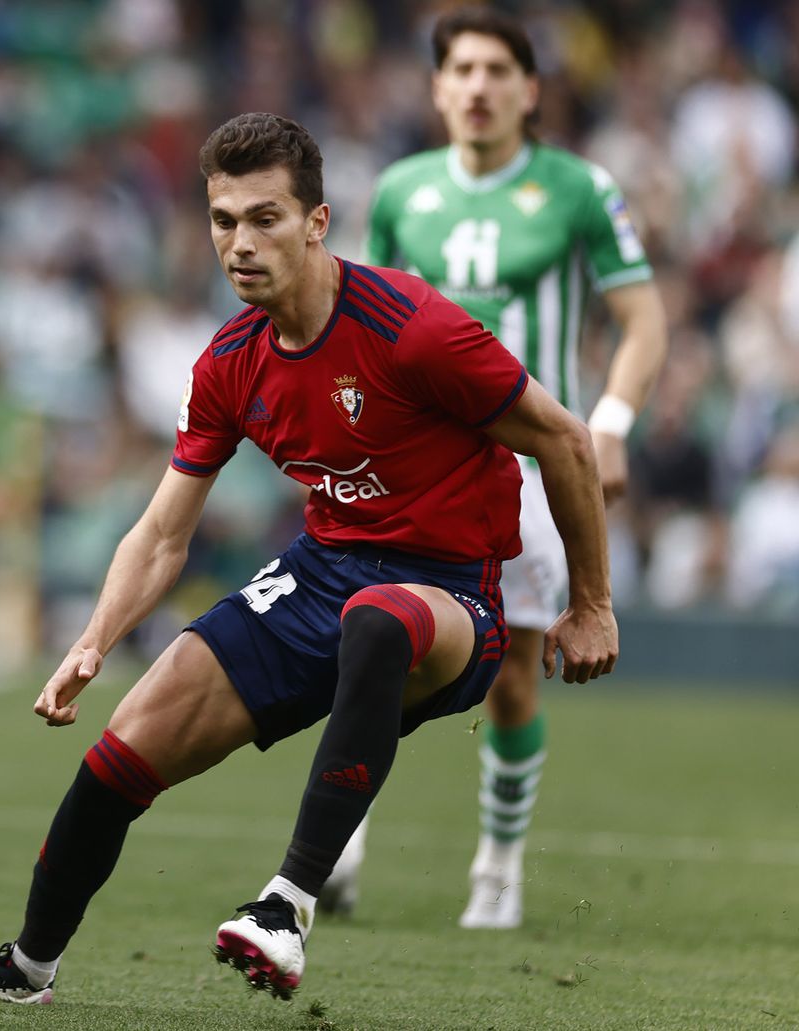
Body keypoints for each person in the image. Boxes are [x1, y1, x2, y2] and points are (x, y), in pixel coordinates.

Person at [0, 111, 616, 1005]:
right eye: (223, 220)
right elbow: (165, 530)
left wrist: (590, 601)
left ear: (317, 223)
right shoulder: (229, 363)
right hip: (320, 570)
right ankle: (25, 969)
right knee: (123, 746)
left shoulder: (414, 330)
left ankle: (284, 906)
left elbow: (565, 440)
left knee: (379, 617)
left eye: (265, 218)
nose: (240, 243)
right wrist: (94, 639)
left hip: (447, 598)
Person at [328, 6, 667, 928]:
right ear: (437, 89)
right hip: (420, 462)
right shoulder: (400, 190)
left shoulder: (579, 188)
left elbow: (644, 320)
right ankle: (341, 847)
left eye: (495, 71)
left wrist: (612, 421)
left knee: (515, 671)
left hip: (534, 463)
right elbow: (365, 323)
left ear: (530, 90)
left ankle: (498, 867)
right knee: (375, 648)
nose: (477, 86)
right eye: (461, 71)